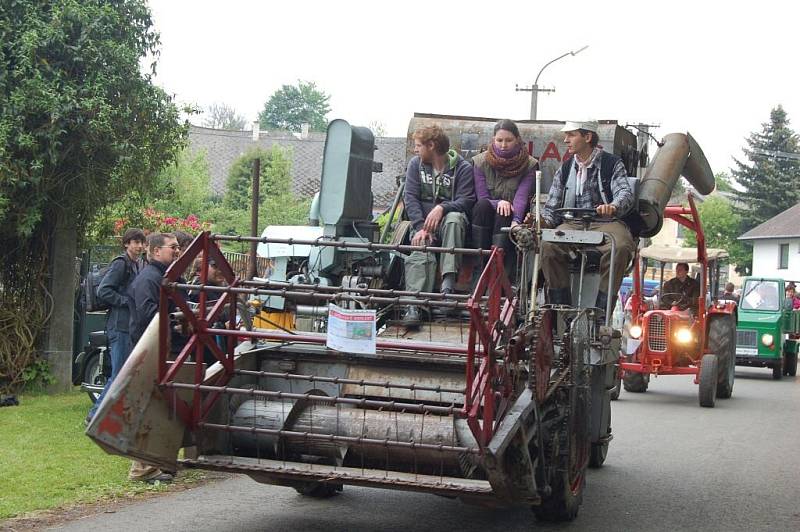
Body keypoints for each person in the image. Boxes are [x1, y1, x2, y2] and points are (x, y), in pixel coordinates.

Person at [540, 120, 636, 312]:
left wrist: (612, 207)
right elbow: (552, 206)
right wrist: (541, 221)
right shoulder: (566, 168)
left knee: (622, 246)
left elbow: (625, 193)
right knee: (548, 246)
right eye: (566, 135)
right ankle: (562, 310)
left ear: (588, 137)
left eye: (571, 135)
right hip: (572, 223)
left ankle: (601, 312)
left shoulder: (612, 163)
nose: (566, 140)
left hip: (605, 222)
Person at [401, 125, 476, 326]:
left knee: (454, 218)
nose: (415, 150)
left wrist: (443, 207)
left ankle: (448, 287)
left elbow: (467, 199)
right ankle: (415, 305)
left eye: (418, 146)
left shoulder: (463, 168)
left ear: (431, 145)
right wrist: (420, 227)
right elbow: (410, 198)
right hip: (423, 225)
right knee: (420, 245)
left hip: (451, 228)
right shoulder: (415, 166)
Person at [127, 232, 180, 484]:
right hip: (148, 351)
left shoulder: (162, 277)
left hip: (158, 348)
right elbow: (148, 313)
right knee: (147, 405)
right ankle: (141, 469)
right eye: (173, 247)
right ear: (156, 251)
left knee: (157, 404)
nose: (177, 251)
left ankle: (155, 462)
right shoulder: (149, 278)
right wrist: (177, 320)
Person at [85, 228, 146, 425]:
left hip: (128, 326)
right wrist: (125, 302)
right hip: (118, 326)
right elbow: (104, 291)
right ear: (126, 244)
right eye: (134, 242)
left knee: (125, 373)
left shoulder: (137, 265)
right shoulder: (121, 264)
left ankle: (118, 416)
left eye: (141, 242)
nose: (138, 246)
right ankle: (95, 414)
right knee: (119, 373)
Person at [471, 119, 538, 279]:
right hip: (484, 213)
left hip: (510, 215)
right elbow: (482, 196)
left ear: (517, 140)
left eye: (508, 140)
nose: (503, 145)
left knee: (505, 212)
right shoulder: (480, 162)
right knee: (482, 205)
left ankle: (498, 271)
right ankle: (480, 270)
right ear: (493, 140)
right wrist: (499, 202)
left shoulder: (529, 164)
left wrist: (516, 220)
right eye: (499, 140)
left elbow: (522, 196)